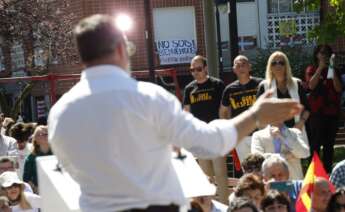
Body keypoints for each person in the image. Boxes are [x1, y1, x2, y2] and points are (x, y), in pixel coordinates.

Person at [48, 14, 302, 212]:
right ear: (119, 50)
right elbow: (209, 143)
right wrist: (256, 115)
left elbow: (69, 172)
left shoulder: (60, 113)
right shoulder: (147, 98)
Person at [183, 55, 227, 203]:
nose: (195, 72)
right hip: (199, 137)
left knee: (220, 174)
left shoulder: (217, 84)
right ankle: (210, 206)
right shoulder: (189, 88)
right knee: (205, 175)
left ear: (206, 68)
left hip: (215, 135)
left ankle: (224, 205)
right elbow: (186, 113)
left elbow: (224, 109)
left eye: (199, 69)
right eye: (192, 69)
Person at [220, 55, 262, 177]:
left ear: (250, 67)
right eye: (237, 65)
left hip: (260, 133)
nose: (241, 67)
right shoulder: (229, 89)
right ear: (234, 69)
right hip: (241, 135)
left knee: (262, 166)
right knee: (247, 169)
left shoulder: (261, 84)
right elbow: (223, 112)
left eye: (243, 64)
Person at [305, 44, 343, 173]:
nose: (324, 55)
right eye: (321, 53)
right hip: (317, 114)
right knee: (315, 145)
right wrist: (320, 68)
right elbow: (311, 85)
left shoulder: (335, 70)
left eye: (327, 53)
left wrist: (331, 67)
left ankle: (327, 172)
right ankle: (313, 172)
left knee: (329, 146)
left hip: (332, 114)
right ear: (316, 55)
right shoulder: (312, 69)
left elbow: (338, 89)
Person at [257, 51, 310, 137]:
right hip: (273, 134)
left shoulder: (297, 84)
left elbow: (307, 109)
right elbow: (258, 113)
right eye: (274, 63)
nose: (278, 65)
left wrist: (301, 123)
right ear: (270, 67)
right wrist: (270, 128)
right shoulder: (264, 86)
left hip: (297, 132)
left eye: (281, 63)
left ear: (286, 66)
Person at [23, 125, 52, 193]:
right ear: (36, 139)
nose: (45, 135)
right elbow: (26, 178)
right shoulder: (31, 158)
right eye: (42, 134)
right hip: (38, 192)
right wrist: (35, 188)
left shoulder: (57, 154)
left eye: (47, 133)